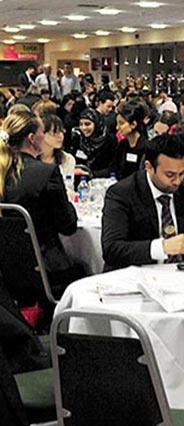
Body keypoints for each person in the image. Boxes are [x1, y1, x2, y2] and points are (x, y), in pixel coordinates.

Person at [0, 110, 82, 290]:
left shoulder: (4, 171)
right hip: (43, 271)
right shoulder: (45, 173)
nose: (44, 136)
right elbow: (67, 226)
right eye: (43, 132)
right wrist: (68, 203)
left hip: (6, 271)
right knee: (86, 270)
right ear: (32, 138)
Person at [101, 133, 184, 270]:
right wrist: (161, 247)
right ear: (149, 167)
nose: (177, 181)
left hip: (181, 276)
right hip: (136, 276)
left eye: (181, 173)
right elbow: (112, 249)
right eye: (170, 175)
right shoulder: (122, 194)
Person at [71, 108, 116, 178]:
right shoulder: (79, 139)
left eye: (87, 124)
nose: (83, 128)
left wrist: (91, 173)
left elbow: (114, 167)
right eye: (81, 124)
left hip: (102, 181)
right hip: (80, 180)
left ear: (97, 124)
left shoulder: (109, 140)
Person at [114, 102, 148, 180]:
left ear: (133, 124)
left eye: (121, 123)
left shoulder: (146, 147)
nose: (117, 128)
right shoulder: (123, 144)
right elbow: (114, 168)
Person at [40, 113, 76, 180]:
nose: (60, 136)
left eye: (61, 131)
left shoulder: (67, 159)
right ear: (41, 134)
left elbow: (68, 185)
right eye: (54, 132)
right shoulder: (29, 161)